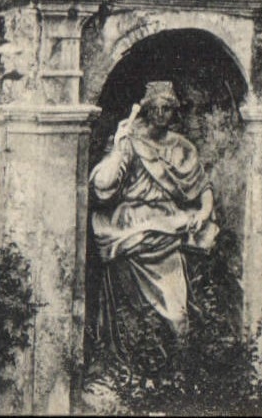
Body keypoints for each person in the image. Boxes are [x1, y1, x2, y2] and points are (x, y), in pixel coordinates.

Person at [90, 82, 219, 347]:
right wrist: (117, 146)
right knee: (133, 317)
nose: (161, 114)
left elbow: (202, 187)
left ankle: (174, 371)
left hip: (167, 228)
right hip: (131, 226)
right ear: (146, 109)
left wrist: (204, 213)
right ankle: (131, 369)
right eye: (156, 108)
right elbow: (102, 186)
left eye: (167, 108)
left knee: (177, 314)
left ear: (175, 112)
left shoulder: (183, 148)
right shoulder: (131, 142)